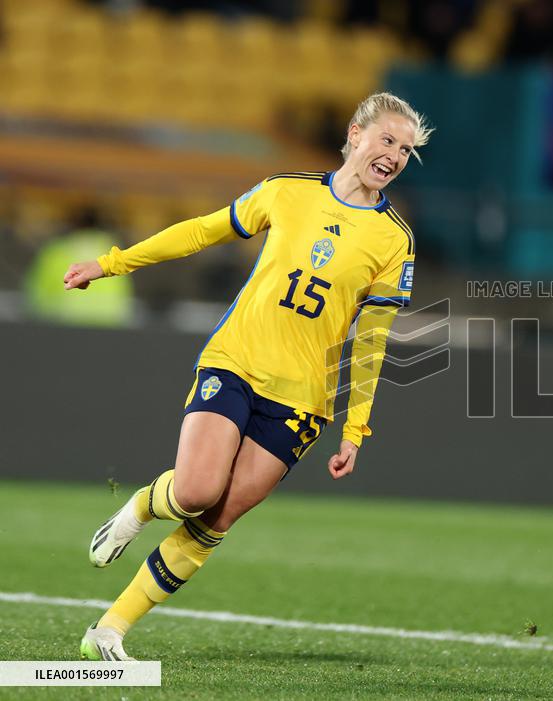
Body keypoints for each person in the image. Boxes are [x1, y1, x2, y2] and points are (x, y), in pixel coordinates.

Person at [63, 92, 432, 661]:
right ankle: (142, 505)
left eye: (406, 150)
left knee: (218, 516)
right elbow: (202, 231)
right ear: (356, 134)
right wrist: (111, 263)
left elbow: (373, 342)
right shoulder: (286, 191)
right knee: (195, 490)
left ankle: (108, 631)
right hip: (236, 361)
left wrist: (356, 429)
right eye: (387, 140)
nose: (394, 156)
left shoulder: (394, 240)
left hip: (304, 399)